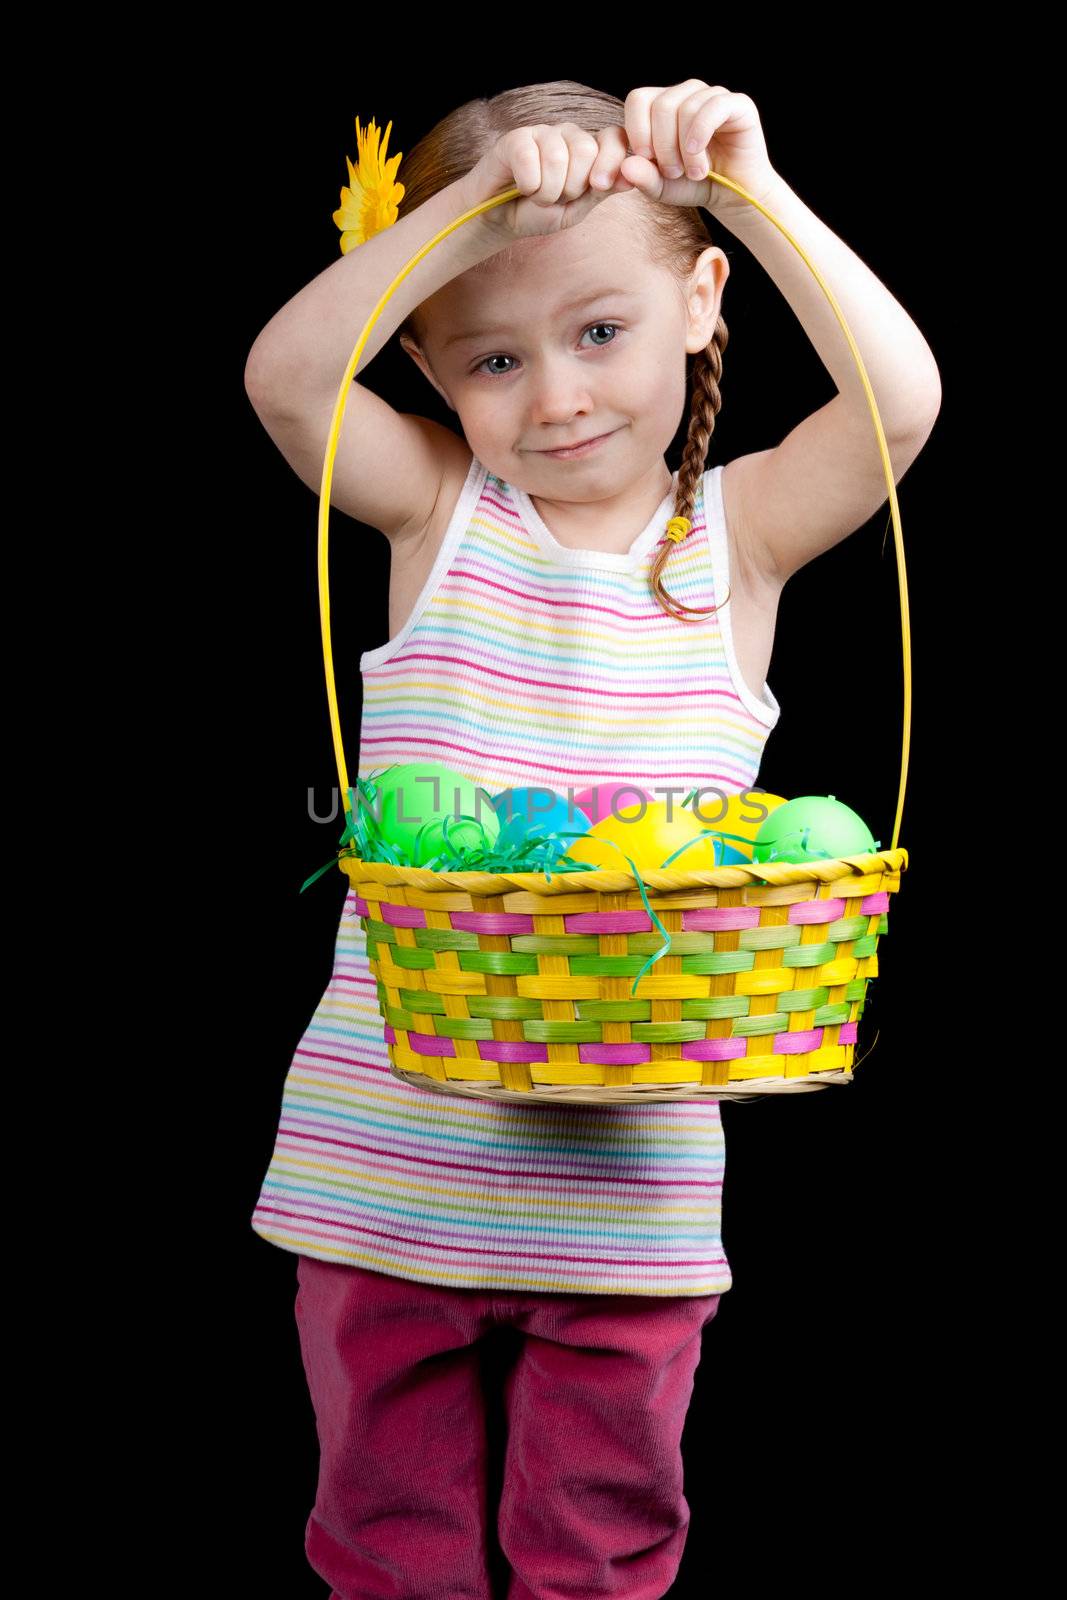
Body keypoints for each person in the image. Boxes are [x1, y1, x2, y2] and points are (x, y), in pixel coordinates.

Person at [243, 79, 941, 1600]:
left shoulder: (734, 542)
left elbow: (900, 407)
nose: (556, 396)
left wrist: (745, 193)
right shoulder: (437, 511)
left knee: (601, 1546)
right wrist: (459, 220)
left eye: (600, 330)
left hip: (628, 1192)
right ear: (429, 363)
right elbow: (289, 378)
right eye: (495, 356)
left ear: (701, 304)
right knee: (386, 1542)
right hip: (388, 1166)